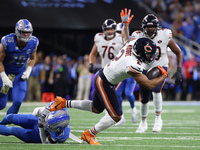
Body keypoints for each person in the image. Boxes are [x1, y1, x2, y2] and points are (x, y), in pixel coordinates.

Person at [43, 11, 168, 145]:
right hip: (105, 81)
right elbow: (148, 85)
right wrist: (164, 75)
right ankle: (89, 134)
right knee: (116, 116)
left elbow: (126, 39)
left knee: (96, 108)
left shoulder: (132, 45)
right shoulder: (132, 64)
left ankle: (63, 103)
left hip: (103, 76)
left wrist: (125, 25)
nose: (150, 59)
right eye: (148, 56)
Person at [130, 12, 183, 133]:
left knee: (156, 90)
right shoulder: (137, 36)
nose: (150, 29)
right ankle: (143, 123)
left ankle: (158, 119)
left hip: (160, 67)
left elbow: (178, 52)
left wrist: (179, 70)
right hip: (143, 68)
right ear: (143, 27)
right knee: (144, 98)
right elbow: (129, 51)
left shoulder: (164, 34)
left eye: (152, 26)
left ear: (157, 26)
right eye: (148, 26)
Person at [89, 19, 137, 126]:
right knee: (105, 96)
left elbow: (127, 42)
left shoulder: (120, 38)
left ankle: (123, 113)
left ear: (115, 29)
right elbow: (93, 53)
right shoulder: (98, 38)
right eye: (107, 29)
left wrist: (125, 25)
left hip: (117, 70)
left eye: (111, 29)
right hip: (104, 71)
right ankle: (117, 114)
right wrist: (91, 63)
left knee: (122, 93)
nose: (109, 31)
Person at [0, 19, 39, 114]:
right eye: (24, 32)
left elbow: (33, 58)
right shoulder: (7, 42)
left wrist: (28, 70)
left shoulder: (33, 42)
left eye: (28, 32)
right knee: (1, 104)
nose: (26, 35)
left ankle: (5, 124)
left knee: (17, 102)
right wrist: (4, 77)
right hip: (6, 74)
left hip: (19, 76)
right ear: (18, 31)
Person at [0, 102, 70, 143]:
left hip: (38, 135)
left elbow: (44, 142)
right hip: (36, 120)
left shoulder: (62, 135)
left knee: (12, 130)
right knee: (10, 117)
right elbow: (35, 113)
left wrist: (41, 127)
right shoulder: (56, 105)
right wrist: (40, 111)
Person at [115, 22, 138, 125]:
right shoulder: (113, 41)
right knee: (118, 93)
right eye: (118, 32)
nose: (120, 34)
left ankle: (133, 109)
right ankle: (121, 116)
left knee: (128, 93)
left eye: (121, 31)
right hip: (120, 70)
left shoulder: (131, 40)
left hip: (130, 69)